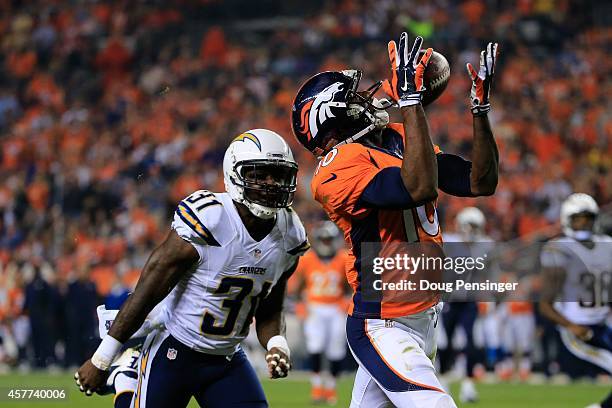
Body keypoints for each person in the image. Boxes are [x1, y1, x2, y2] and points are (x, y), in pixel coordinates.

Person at [291, 32, 499, 408]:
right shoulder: (335, 170)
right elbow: (417, 187)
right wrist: (412, 102)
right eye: (351, 98)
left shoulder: (396, 139)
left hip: (424, 316)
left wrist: (480, 112)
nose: (364, 99)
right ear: (332, 113)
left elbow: (480, 182)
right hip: (383, 322)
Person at [75, 129, 309, 408]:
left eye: (279, 175)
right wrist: (103, 357)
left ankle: (128, 378)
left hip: (226, 359)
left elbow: (270, 307)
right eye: (260, 174)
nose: (272, 184)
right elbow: (148, 290)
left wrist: (276, 345)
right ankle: (126, 377)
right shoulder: (211, 217)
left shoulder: (290, 233)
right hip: (176, 350)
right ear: (235, 174)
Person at [539, 193, 612, 408]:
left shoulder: (607, 244)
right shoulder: (559, 249)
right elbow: (545, 304)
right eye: (579, 218)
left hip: (603, 325)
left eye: (588, 218)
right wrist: (572, 326)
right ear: (567, 220)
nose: (584, 223)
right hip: (577, 331)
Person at [293, 221, 349, 404]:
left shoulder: (343, 258)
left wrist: (348, 301)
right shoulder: (307, 259)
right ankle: (317, 388)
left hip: (336, 307)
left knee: (335, 349)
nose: (325, 242)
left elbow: (351, 286)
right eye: (323, 239)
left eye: (328, 239)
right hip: (315, 308)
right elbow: (297, 287)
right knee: (315, 347)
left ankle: (331, 389)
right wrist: (300, 303)